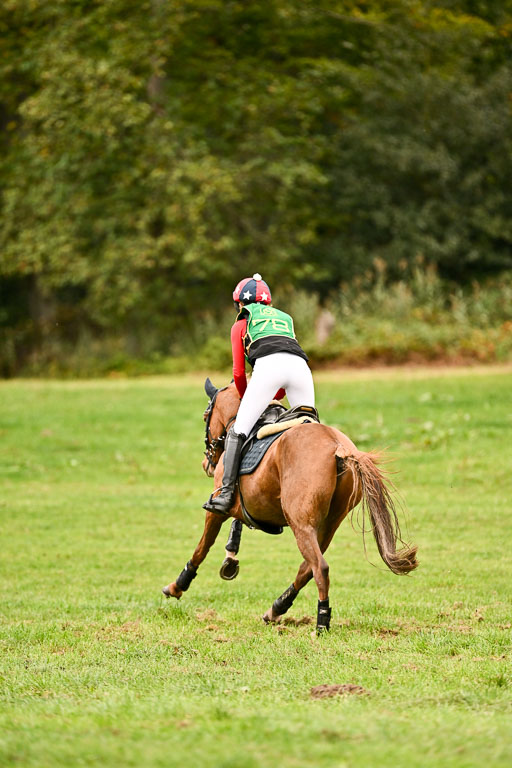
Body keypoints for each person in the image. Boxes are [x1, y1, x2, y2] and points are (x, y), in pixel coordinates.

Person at [204, 273, 315, 514]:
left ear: (239, 304)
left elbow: (238, 373)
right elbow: (288, 358)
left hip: (268, 370)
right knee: (310, 429)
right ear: (269, 303)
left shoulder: (241, 323)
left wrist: (248, 400)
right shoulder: (285, 319)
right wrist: (278, 393)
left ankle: (225, 494)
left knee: (238, 430)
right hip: (302, 371)